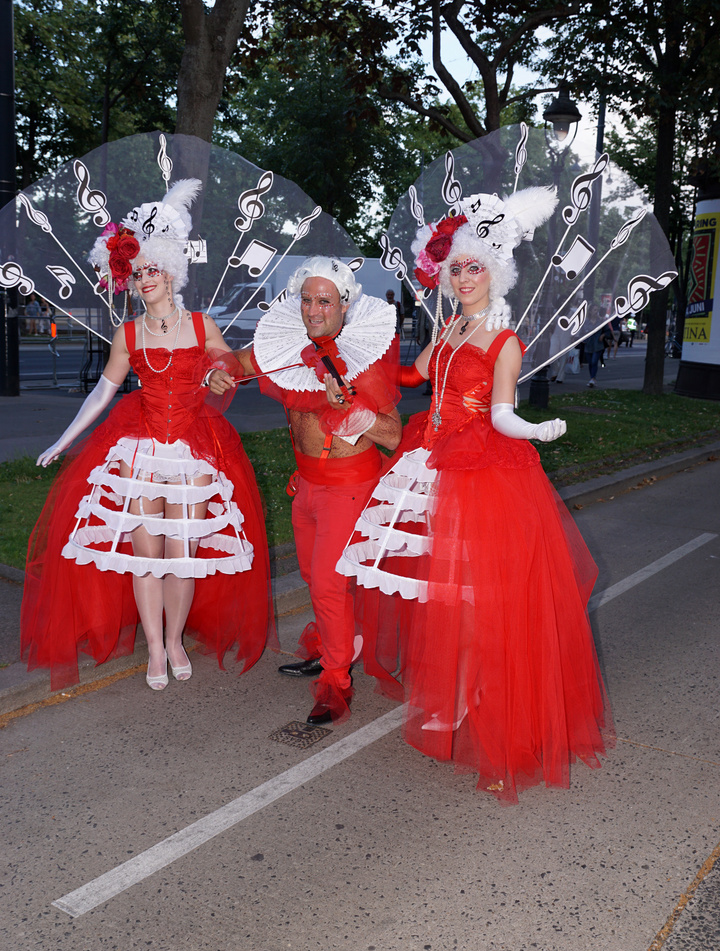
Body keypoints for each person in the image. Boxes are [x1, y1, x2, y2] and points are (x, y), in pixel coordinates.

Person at [337, 189, 613, 803]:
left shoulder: (504, 340)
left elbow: (503, 413)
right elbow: (418, 377)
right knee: (443, 594)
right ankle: (455, 695)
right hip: (431, 461)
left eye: (474, 266)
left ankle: (477, 700)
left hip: (483, 471)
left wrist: (537, 429)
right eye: (456, 267)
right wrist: (360, 364)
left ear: (498, 271)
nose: (463, 277)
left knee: (476, 599)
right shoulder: (452, 325)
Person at [21, 179, 274, 692]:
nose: (145, 280)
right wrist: (63, 440)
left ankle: (175, 638)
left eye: (152, 269)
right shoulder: (128, 334)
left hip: (194, 450)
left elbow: (228, 366)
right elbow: (100, 394)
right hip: (139, 451)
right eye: (136, 273)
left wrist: (218, 374)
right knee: (146, 556)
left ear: (172, 271)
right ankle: (155, 647)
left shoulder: (202, 326)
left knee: (183, 555)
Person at [209, 257, 401, 726]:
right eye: (307, 299)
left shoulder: (361, 362)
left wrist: (356, 411)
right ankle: (333, 647)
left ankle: (336, 680)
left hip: (349, 487)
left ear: (343, 306)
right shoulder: (288, 347)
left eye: (325, 300)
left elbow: (394, 435)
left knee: (331, 584)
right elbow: (238, 360)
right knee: (317, 580)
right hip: (307, 484)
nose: (314, 309)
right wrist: (218, 369)